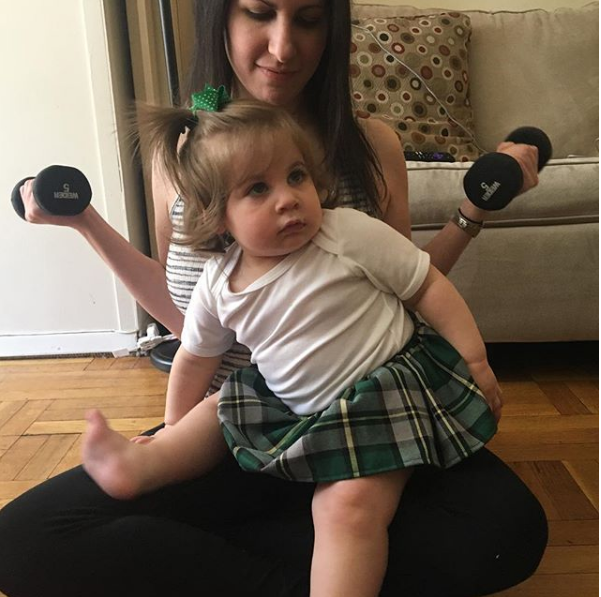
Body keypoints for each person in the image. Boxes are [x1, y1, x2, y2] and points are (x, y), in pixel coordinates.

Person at [0, 2, 546, 597]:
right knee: (22, 540)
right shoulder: (180, 153)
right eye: (260, 12)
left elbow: (407, 285)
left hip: (365, 403)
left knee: (507, 530)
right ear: (220, 20)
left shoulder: (370, 146)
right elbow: (191, 322)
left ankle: (325, 543)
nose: (284, 47)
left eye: (309, 20)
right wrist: (86, 223)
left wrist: (472, 217)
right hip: (249, 414)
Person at [81, 97, 501, 597]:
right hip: (289, 400)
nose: (288, 197)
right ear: (218, 218)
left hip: (383, 395)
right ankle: (146, 465)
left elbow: (426, 285)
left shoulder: (344, 232)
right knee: (220, 404)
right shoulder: (219, 283)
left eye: (296, 176)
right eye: (258, 188)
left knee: (343, 509)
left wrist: (473, 358)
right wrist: (174, 429)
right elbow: (194, 358)